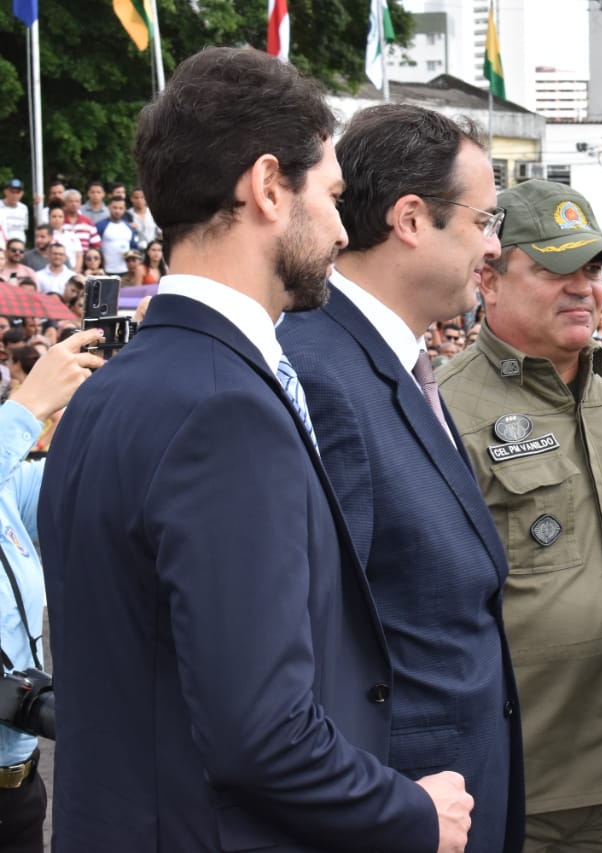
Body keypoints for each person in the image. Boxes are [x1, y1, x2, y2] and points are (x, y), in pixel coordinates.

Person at [37, 47, 455, 852]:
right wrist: (413, 813)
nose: (341, 226)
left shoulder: (110, 391)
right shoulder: (225, 409)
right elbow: (261, 732)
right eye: (331, 195)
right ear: (268, 187)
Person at [278, 103, 523, 853]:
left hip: (449, 798)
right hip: (402, 809)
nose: (493, 247)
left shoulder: (391, 362)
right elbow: (313, 647)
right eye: (484, 221)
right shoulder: (322, 370)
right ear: (412, 218)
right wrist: (382, 809)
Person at [439, 179, 602, 852]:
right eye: (556, 267)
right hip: (507, 774)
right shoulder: (440, 408)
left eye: (593, 267)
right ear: (489, 276)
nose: (583, 286)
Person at [0, 329, 103, 852]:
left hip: (18, 784)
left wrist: (103, 400)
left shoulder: (6, 485)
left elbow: (82, 482)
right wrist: (28, 405)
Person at [2, 180, 28, 244]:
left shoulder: (24, 208)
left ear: (22, 193)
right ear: (6, 192)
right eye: (12, 192)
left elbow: (24, 228)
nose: (15, 195)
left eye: (18, 192)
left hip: (20, 245)